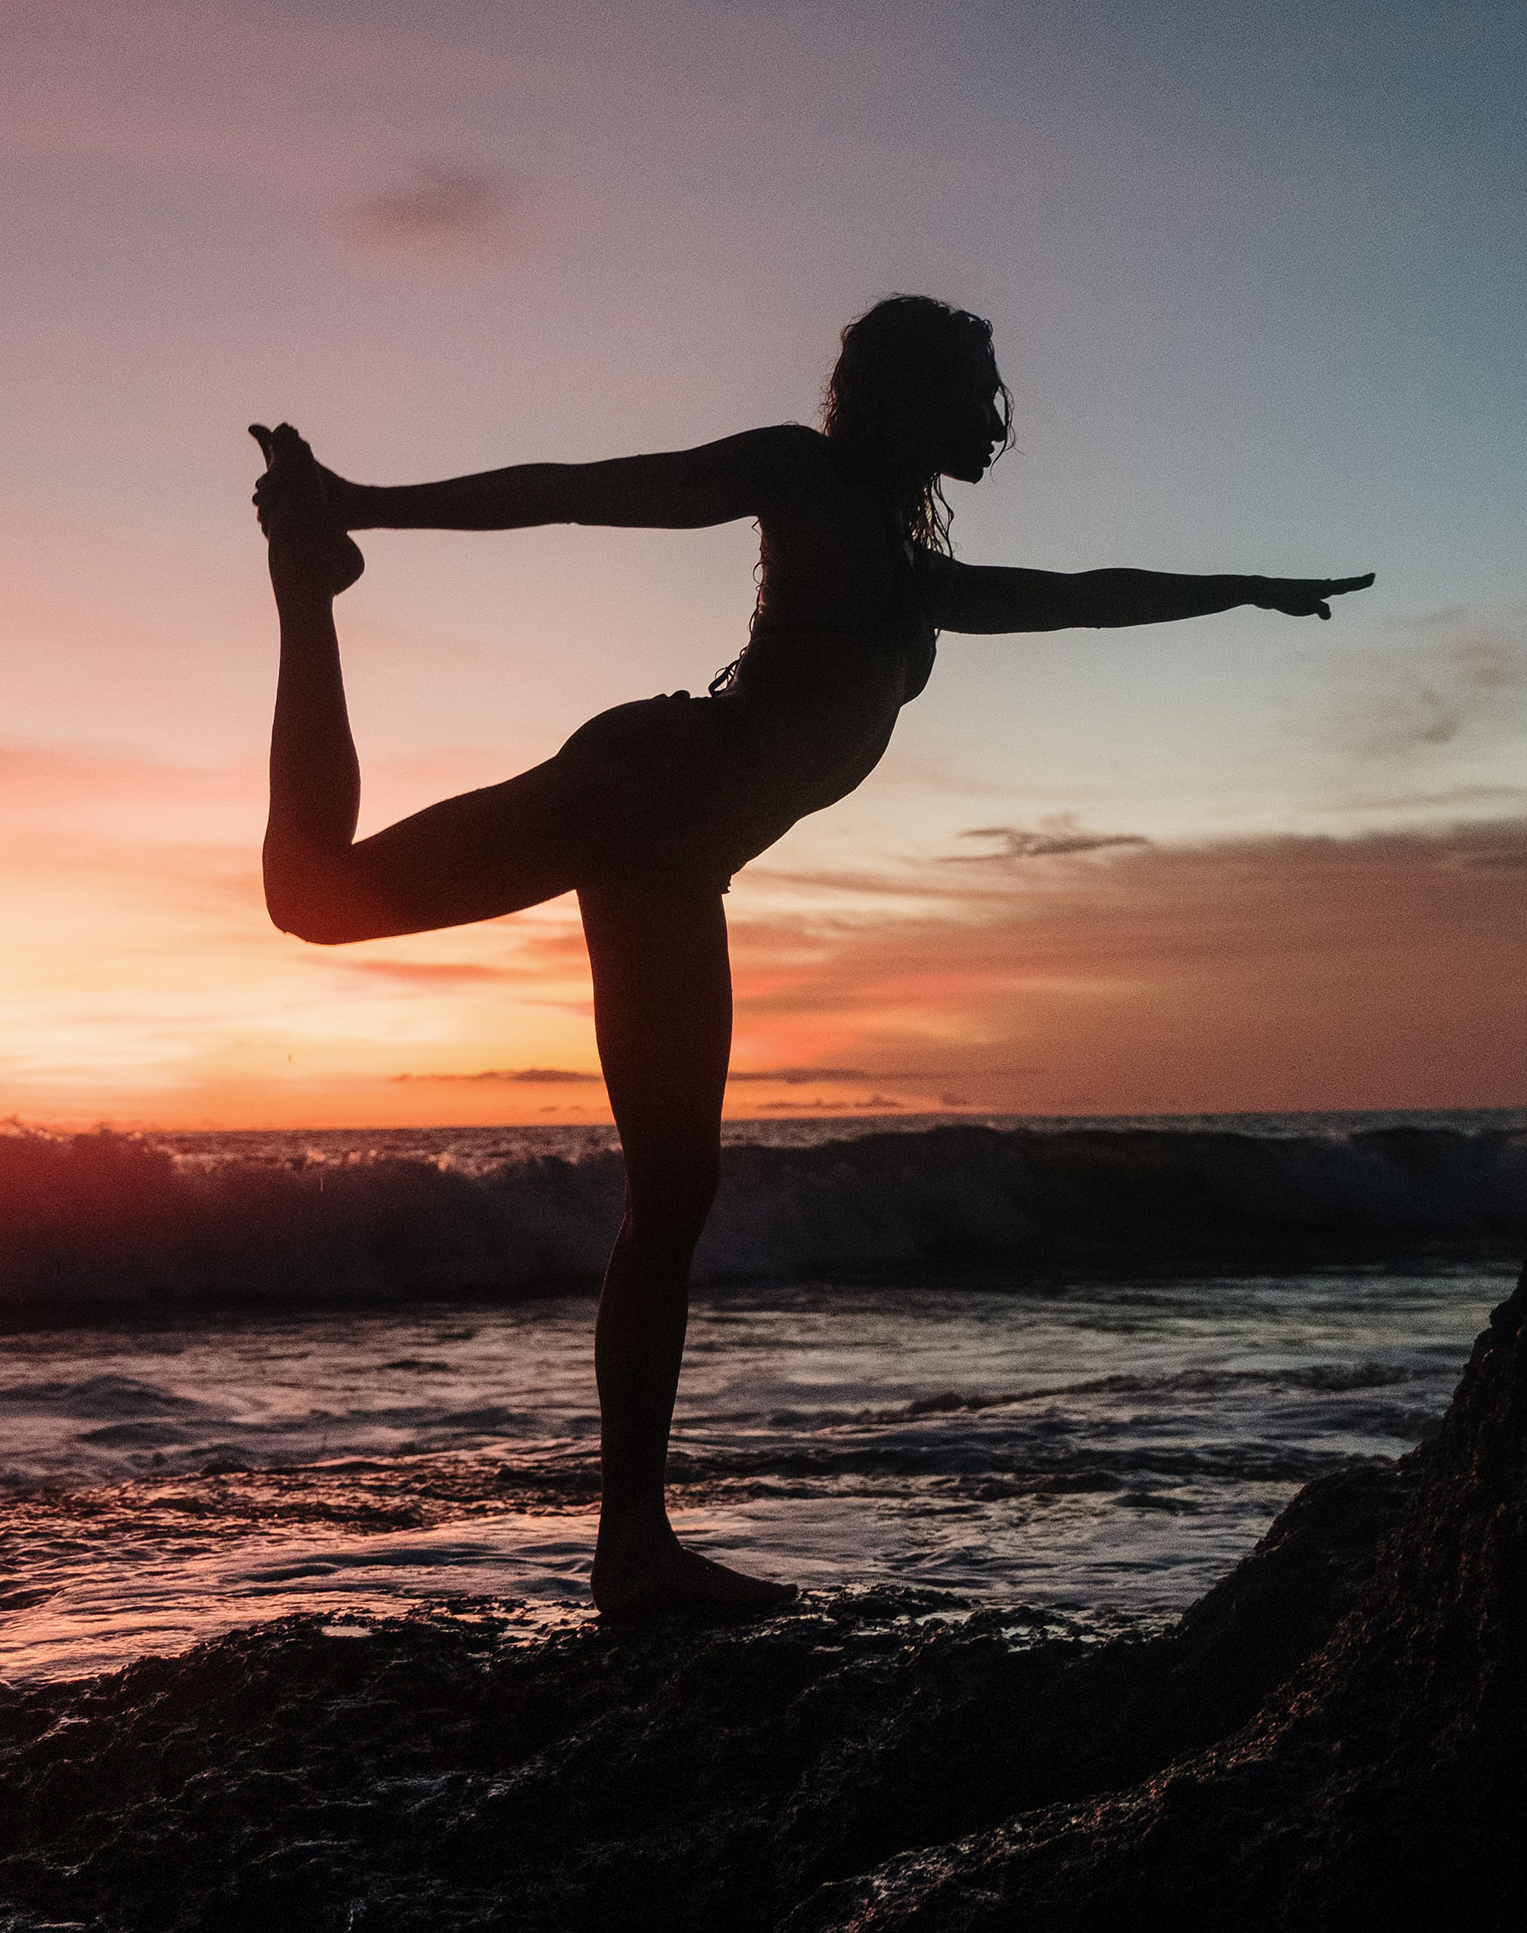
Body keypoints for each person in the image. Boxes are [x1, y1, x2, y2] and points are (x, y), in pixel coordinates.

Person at [249, 293, 1372, 1627]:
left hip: (678, 859)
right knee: (318, 903)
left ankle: (633, 1553)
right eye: (973, 391)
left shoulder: (912, 573)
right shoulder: (802, 474)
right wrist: (366, 501)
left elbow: (1077, 597)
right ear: (901, 394)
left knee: (673, 1195)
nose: (997, 420)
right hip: (651, 785)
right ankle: (309, 585)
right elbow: (588, 491)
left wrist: (1241, 589)